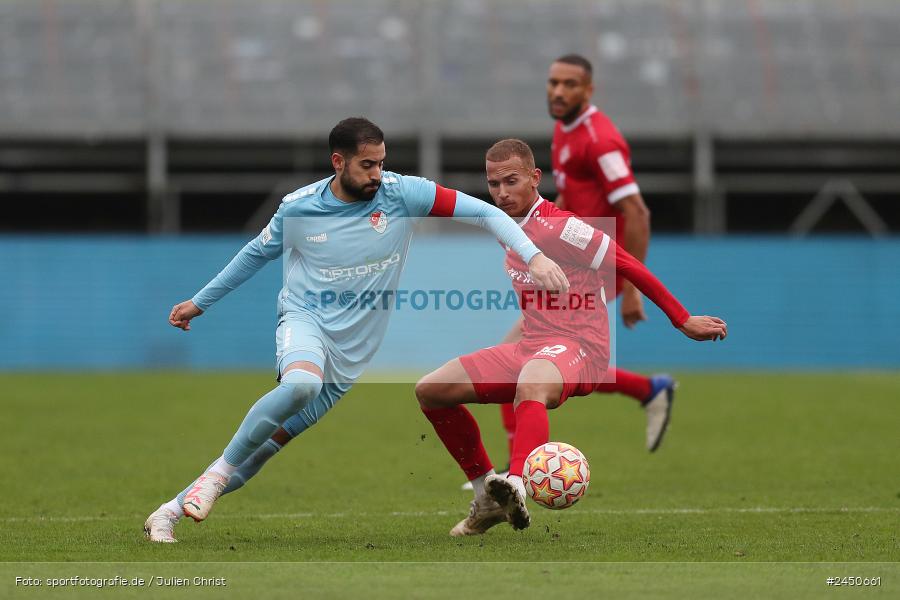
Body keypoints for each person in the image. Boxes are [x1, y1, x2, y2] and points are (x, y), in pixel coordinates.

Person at [143, 118, 569, 543]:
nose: (377, 174)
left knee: (262, 450)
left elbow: (485, 213)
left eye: (381, 163)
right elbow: (255, 254)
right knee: (301, 385)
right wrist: (201, 302)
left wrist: (533, 256)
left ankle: (167, 513)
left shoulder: (401, 194)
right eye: (367, 165)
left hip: (349, 358)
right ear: (338, 162)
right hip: (306, 321)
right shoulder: (299, 208)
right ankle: (215, 476)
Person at [415, 139, 726, 536]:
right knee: (431, 390)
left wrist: (682, 319)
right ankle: (487, 497)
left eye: (511, 181)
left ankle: (516, 484)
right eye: (494, 184)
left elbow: (627, 263)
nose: (502, 192)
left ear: (535, 178)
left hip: (582, 348)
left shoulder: (563, 228)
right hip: (534, 343)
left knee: (531, 382)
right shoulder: (504, 225)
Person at [483, 54, 673, 481]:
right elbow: (570, 201)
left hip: (593, 265)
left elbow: (637, 212)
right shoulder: (565, 130)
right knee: (557, 359)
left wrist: (631, 289)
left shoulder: (600, 142)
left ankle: (518, 469)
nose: (558, 91)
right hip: (568, 259)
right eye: (553, 82)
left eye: (569, 84)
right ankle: (648, 389)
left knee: (525, 356)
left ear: (589, 90)